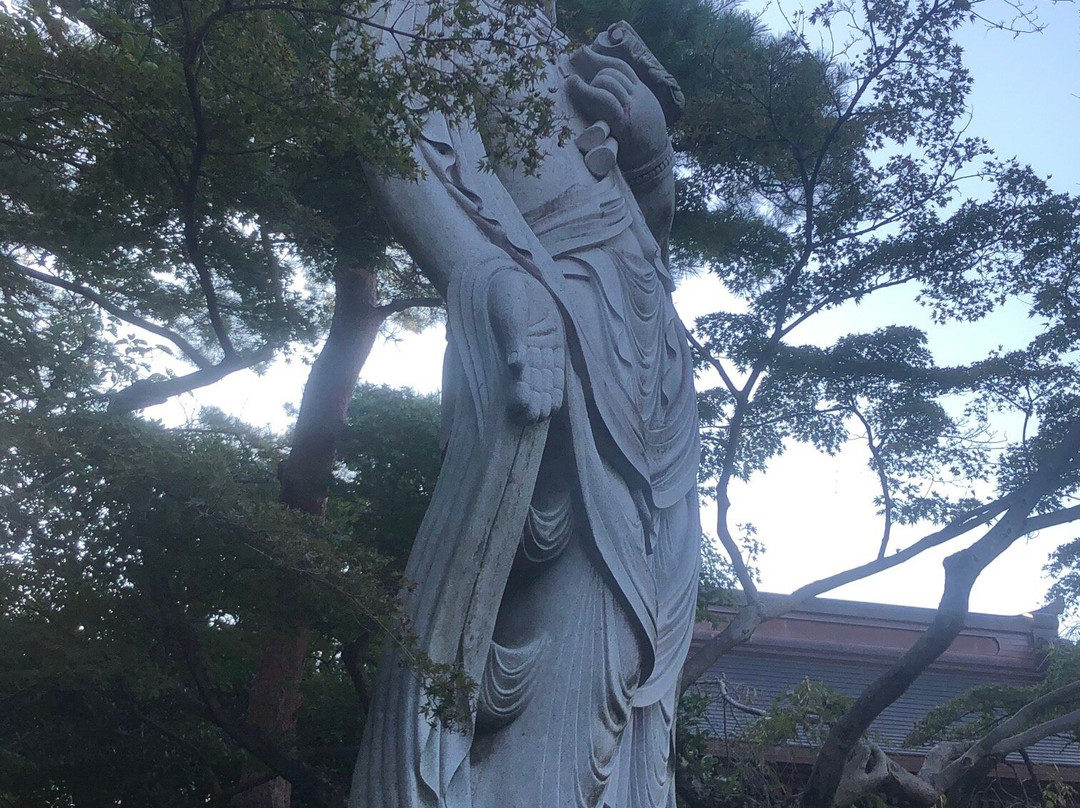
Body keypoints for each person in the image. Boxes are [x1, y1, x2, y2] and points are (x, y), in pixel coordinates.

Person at [349, 5, 700, 807]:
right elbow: (387, 127)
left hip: (649, 349)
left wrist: (649, 158)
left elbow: (649, 234)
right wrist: (491, 274)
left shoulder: (556, 42)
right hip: (561, 318)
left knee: (644, 668)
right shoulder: (425, 13)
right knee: (586, 621)